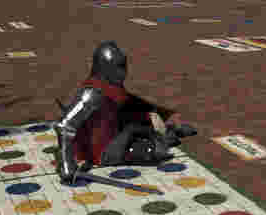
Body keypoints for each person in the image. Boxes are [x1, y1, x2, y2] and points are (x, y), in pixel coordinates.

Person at [53, 41, 195, 182]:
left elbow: (129, 105)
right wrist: (67, 164)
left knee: (144, 128)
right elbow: (64, 126)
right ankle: (165, 137)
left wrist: (155, 114)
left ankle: (169, 132)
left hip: (112, 135)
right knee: (154, 150)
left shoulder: (109, 85)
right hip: (101, 151)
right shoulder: (92, 92)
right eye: (118, 67)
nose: (123, 71)